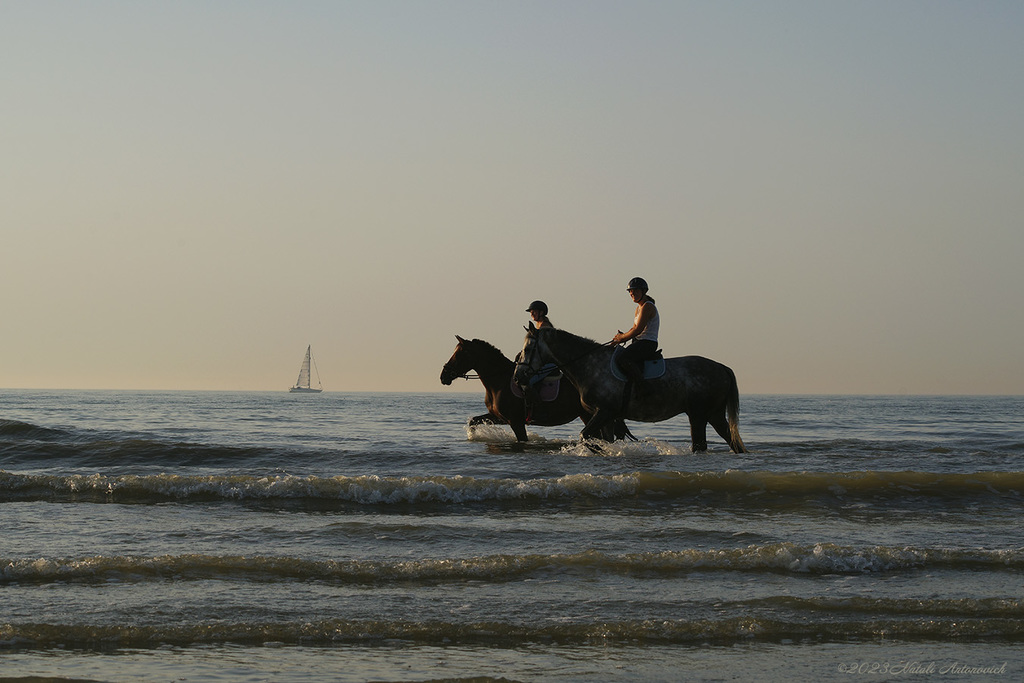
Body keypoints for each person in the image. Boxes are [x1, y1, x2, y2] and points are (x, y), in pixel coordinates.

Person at [610, 277, 660, 383]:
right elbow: (633, 328)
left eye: (635, 290)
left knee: (623, 359)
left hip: (647, 343)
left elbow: (638, 330)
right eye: (630, 291)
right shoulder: (638, 309)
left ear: (643, 291)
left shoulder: (647, 307)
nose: (632, 293)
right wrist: (618, 339)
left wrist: (622, 338)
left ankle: (641, 386)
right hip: (639, 342)